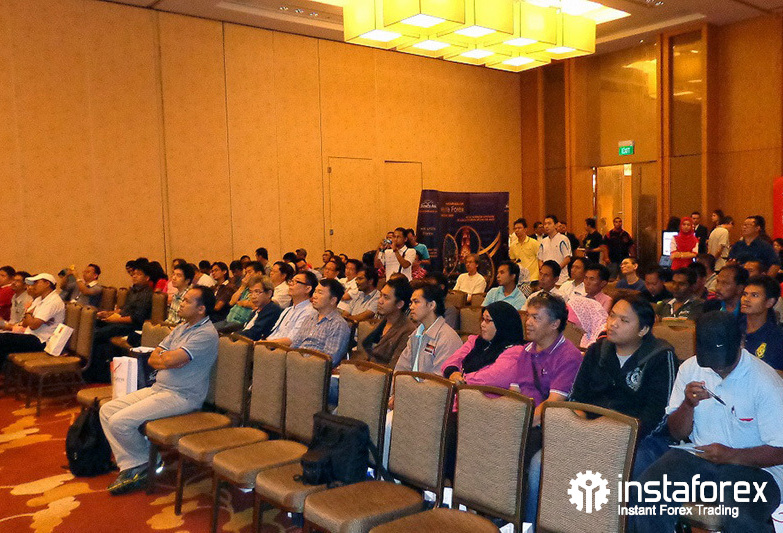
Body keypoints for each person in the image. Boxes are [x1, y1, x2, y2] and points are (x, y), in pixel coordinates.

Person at [630, 311, 783, 533]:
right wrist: (688, 405)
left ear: (741, 342)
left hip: (755, 468)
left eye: (723, 362)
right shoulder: (690, 369)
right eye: (710, 360)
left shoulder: (765, 381)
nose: (717, 367)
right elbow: (677, 433)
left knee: (739, 514)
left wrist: (730, 455)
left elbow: (779, 451)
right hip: (699, 456)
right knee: (647, 491)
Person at [100, 286, 219, 495]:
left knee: (120, 422)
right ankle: (136, 463)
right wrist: (169, 359)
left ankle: (146, 464)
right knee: (106, 411)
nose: (181, 303)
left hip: (182, 395)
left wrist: (169, 359)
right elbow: (154, 358)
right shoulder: (182, 327)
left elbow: (170, 359)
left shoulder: (206, 334)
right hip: (160, 388)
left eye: (187, 301)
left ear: (201, 309)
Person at [570, 292, 677, 438]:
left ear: (643, 330)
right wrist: (580, 424)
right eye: (612, 315)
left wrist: (621, 437)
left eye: (624, 320)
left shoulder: (660, 356)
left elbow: (657, 414)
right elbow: (577, 397)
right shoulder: (597, 350)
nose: (613, 323)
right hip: (591, 430)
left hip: (637, 436)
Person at [519, 292, 584, 526]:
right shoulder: (525, 351)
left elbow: (552, 406)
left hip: (550, 426)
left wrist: (516, 426)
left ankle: (526, 524)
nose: (528, 322)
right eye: (528, 316)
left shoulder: (569, 356)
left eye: (536, 317)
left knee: (515, 451)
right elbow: (517, 394)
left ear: (555, 324)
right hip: (525, 420)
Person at [86, 264, 154, 382]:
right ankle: (99, 369)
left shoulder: (147, 294)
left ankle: (94, 372)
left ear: (147, 278)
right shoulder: (133, 290)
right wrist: (109, 313)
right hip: (121, 321)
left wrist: (114, 319)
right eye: (134, 274)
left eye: (138, 274)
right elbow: (123, 309)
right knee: (93, 326)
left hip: (132, 327)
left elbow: (136, 318)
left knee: (98, 334)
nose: (134, 276)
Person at [442, 301, 526, 391]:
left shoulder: (515, 351)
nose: (482, 324)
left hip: (486, 397)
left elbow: (493, 377)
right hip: (462, 393)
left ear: (501, 324)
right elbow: (453, 359)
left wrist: (463, 379)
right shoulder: (476, 340)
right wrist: (452, 372)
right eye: (482, 319)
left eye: (487, 320)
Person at [394, 283, 462, 375]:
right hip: (409, 383)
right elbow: (401, 369)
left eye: (416, 302)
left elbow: (439, 380)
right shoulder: (416, 334)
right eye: (411, 303)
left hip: (428, 384)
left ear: (431, 305)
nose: (411, 307)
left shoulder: (447, 338)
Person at [0, 273, 65, 366]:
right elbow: (25, 323)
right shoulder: (39, 299)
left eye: (36, 283)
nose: (33, 286)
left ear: (47, 284)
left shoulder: (53, 301)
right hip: (30, 335)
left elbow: (34, 325)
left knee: (3, 339)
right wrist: (30, 315)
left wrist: (29, 313)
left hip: (41, 341)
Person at [282, 279, 350, 365]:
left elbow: (330, 359)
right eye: (315, 292)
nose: (314, 296)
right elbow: (294, 345)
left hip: (315, 368)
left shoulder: (338, 324)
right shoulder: (309, 318)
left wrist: (302, 362)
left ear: (333, 300)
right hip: (296, 363)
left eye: (320, 293)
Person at [361, 276, 416, 368]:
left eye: (386, 297)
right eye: (381, 295)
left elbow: (395, 366)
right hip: (367, 371)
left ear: (399, 304)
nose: (380, 301)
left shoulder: (407, 331)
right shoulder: (383, 322)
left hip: (383, 374)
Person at [741, 275, 783, 369]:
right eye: (744, 294)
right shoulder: (732, 328)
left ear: (770, 302)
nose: (746, 299)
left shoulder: (777, 337)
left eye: (754, 295)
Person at [267, 271, 319, 343]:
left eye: (296, 282)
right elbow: (274, 332)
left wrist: (267, 344)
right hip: (272, 345)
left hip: (284, 348)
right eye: (291, 281)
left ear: (308, 289)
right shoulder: (287, 310)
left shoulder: (310, 312)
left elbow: (293, 339)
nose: (290, 284)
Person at [216, 261, 265, 333]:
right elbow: (232, 302)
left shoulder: (263, 288)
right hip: (229, 318)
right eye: (246, 273)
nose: (247, 275)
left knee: (214, 332)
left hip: (239, 322)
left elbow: (257, 305)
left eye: (249, 272)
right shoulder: (246, 287)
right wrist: (243, 286)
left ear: (259, 273)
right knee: (208, 328)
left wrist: (243, 303)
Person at [238, 275, 283, 341]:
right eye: (251, 292)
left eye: (257, 292)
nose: (253, 296)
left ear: (269, 293)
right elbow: (245, 327)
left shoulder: (272, 310)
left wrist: (234, 335)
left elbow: (255, 333)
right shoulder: (256, 311)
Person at [538, 214, 571, 285]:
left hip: (561, 279)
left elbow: (567, 258)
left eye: (549, 223)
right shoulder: (543, 241)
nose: (546, 226)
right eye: (545, 224)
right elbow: (540, 259)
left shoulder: (563, 239)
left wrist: (555, 270)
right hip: (547, 280)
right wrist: (544, 271)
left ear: (556, 225)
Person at [509, 218, 540, 289]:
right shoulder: (513, 245)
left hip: (533, 278)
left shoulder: (534, 243)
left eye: (519, 228)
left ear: (525, 229)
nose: (517, 230)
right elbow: (513, 261)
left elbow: (540, 259)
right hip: (520, 280)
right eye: (515, 228)